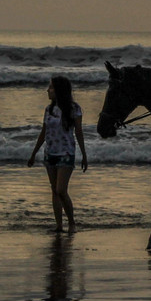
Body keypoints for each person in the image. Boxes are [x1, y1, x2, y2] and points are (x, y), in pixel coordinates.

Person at [28, 76, 87, 232]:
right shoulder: (49, 109)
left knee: (61, 190)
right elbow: (43, 132)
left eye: (51, 87)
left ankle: (72, 222)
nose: (48, 90)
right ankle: (59, 225)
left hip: (66, 152)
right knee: (54, 190)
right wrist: (34, 153)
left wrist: (84, 155)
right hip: (50, 152)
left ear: (60, 90)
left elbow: (79, 132)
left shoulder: (74, 108)